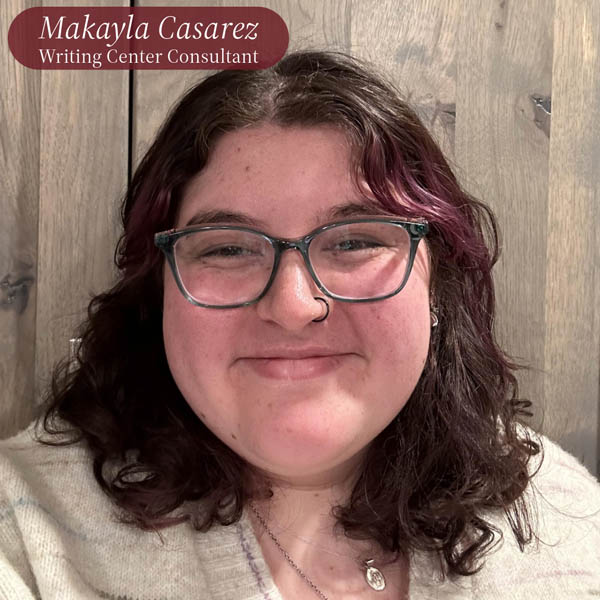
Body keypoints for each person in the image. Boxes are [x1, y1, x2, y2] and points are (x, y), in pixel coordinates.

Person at [1, 50, 599, 600]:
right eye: (228, 249)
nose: (293, 304)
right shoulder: (21, 535)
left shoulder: (572, 526)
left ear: (436, 286)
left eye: (357, 240)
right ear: (157, 293)